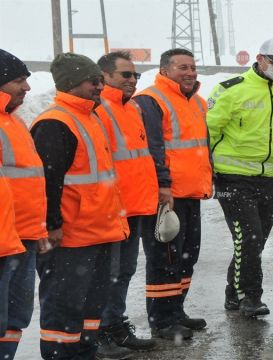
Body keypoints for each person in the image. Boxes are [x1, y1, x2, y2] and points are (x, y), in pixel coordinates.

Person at [31, 52, 130, 359]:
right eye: (93, 81)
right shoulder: (54, 122)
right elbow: (47, 181)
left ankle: (86, 350)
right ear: (71, 83)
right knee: (64, 306)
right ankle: (61, 354)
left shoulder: (90, 116)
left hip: (99, 230)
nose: (99, 86)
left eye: (100, 80)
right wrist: (52, 225)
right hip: (72, 236)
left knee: (90, 305)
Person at [206, 38, 273, 317]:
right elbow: (208, 132)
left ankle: (232, 292)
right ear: (260, 59)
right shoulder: (231, 90)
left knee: (255, 240)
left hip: (271, 179)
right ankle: (250, 296)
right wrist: (205, 171)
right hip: (233, 178)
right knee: (248, 237)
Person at [134, 48, 212, 339]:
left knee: (187, 256)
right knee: (164, 258)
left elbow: (202, 148)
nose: (190, 72)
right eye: (182, 67)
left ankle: (177, 311)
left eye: (192, 67)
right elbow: (153, 149)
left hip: (191, 192)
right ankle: (162, 321)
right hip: (167, 195)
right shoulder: (151, 100)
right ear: (165, 70)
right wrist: (163, 185)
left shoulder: (198, 103)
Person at [94, 51, 158, 357]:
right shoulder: (99, 109)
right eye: (126, 75)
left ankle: (115, 325)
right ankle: (102, 331)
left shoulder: (131, 108)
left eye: (136, 76)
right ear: (104, 76)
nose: (133, 80)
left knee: (125, 270)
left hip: (134, 207)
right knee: (109, 273)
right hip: (112, 209)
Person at [0, 49, 37, 360]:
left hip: (22, 239)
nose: (26, 87)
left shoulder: (16, 122)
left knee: (14, 317)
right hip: (3, 242)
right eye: (17, 80)